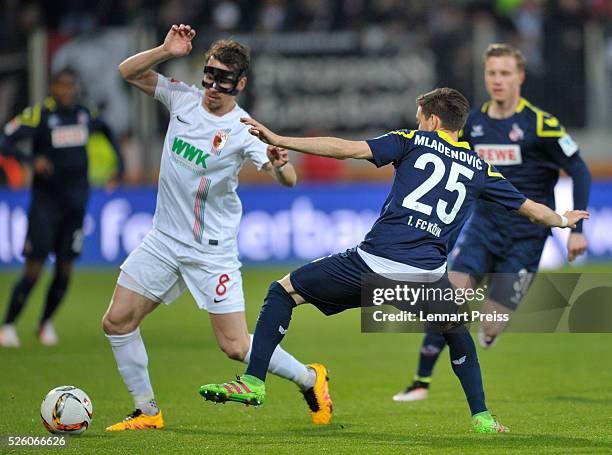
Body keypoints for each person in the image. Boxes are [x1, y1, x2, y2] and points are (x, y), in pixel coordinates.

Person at [198, 87, 589, 433]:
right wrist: (562, 220)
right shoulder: (479, 168)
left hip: (373, 264)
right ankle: (482, 417)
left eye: (420, 118)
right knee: (457, 333)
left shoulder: (412, 141)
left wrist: (281, 138)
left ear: (433, 120)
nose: (416, 124)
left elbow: (347, 149)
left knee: (282, 293)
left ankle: (254, 380)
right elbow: (529, 208)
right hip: (429, 278)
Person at [102, 24, 332, 432]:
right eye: (208, 75)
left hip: (211, 250)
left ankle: (311, 379)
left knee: (235, 346)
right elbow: (127, 72)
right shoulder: (182, 98)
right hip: (163, 240)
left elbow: (290, 179)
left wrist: (280, 165)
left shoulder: (245, 129)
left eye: (223, 80)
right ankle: (147, 411)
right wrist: (165, 49)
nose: (212, 86)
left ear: (240, 84)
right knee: (117, 322)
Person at [394, 43, 592, 403]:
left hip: (526, 238)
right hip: (483, 229)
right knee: (448, 297)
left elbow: (579, 169)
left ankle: (491, 326)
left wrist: (576, 230)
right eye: (491, 73)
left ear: (520, 77)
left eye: (505, 73)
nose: (497, 80)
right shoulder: (475, 126)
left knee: (490, 322)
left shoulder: (541, 125)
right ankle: (420, 381)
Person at [0, 68, 124, 347]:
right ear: (52, 88)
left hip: (76, 203)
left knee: (66, 268)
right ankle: (8, 325)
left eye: (71, 86)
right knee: (34, 267)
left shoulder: (84, 112)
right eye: (61, 86)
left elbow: (107, 130)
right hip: (45, 204)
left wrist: (121, 164)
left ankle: (44, 324)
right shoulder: (39, 114)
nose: (67, 91)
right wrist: (31, 161)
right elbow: (6, 139)